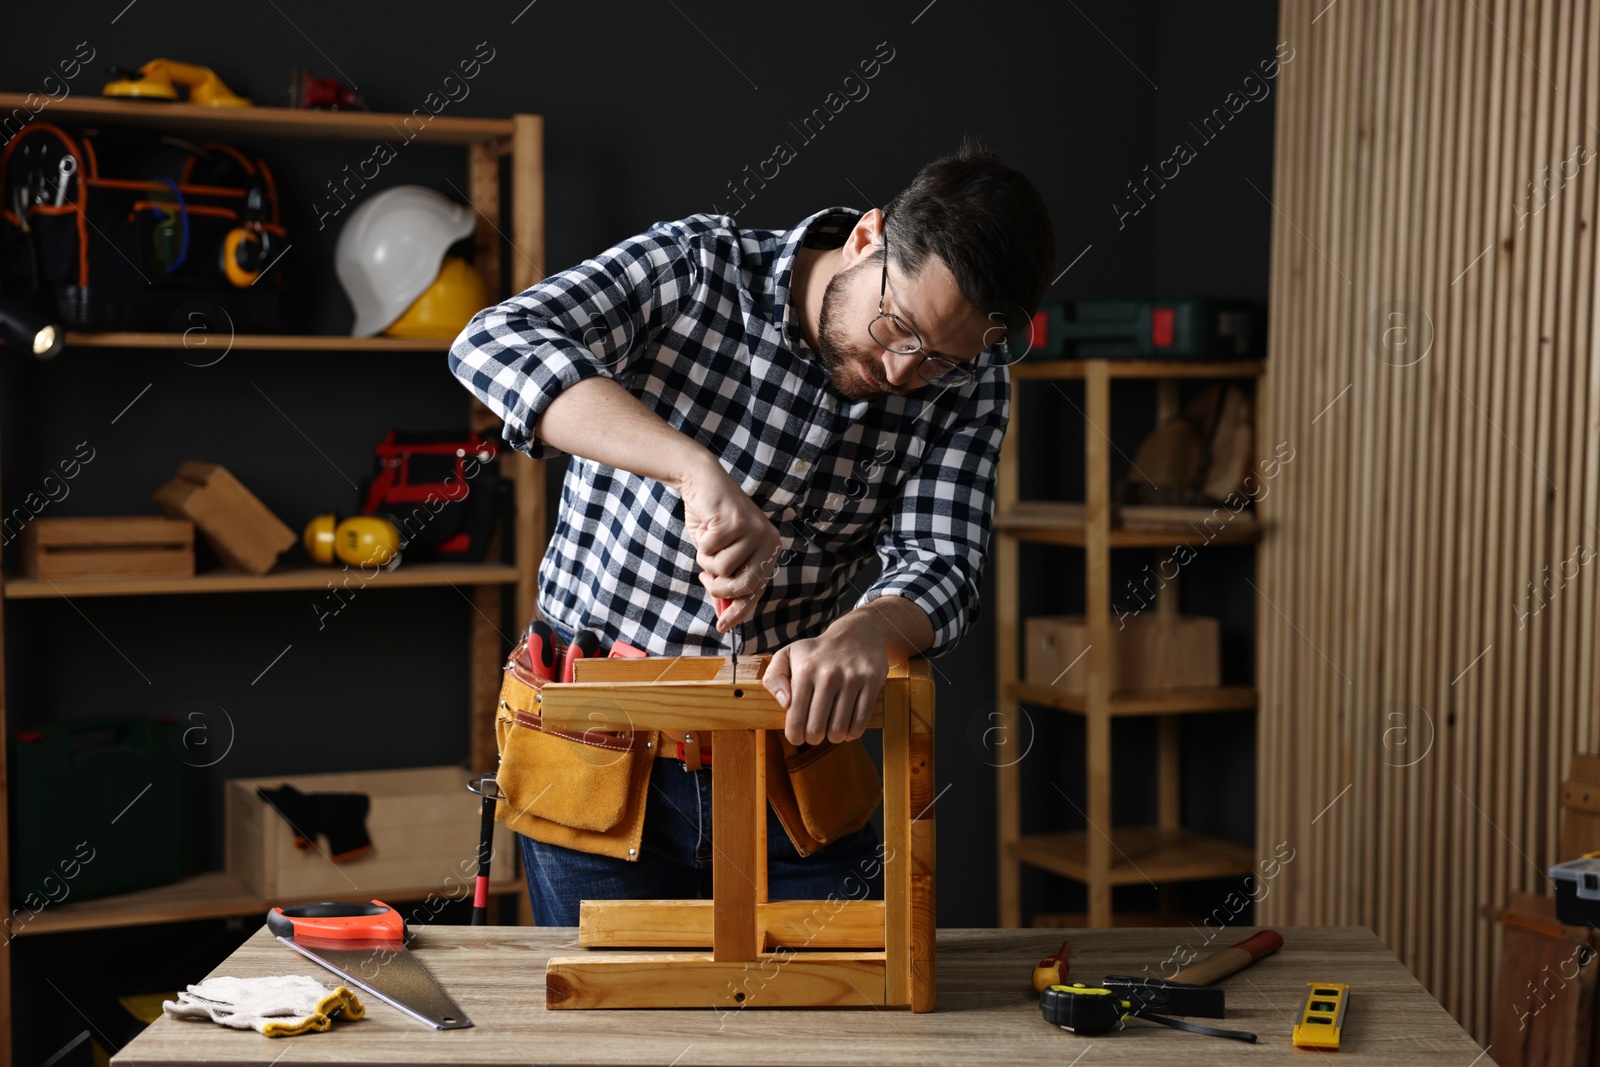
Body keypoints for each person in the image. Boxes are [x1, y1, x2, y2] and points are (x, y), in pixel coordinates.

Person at [448, 138, 1055, 924]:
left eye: (938, 360)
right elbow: (492, 341)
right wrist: (689, 469)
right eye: (896, 325)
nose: (904, 373)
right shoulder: (697, 267)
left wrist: (866, 633)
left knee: (823, 1035)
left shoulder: (972, 379)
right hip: (596, 750)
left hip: (791, 764)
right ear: (867, 238)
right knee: (617, 1041)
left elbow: (943, 560)